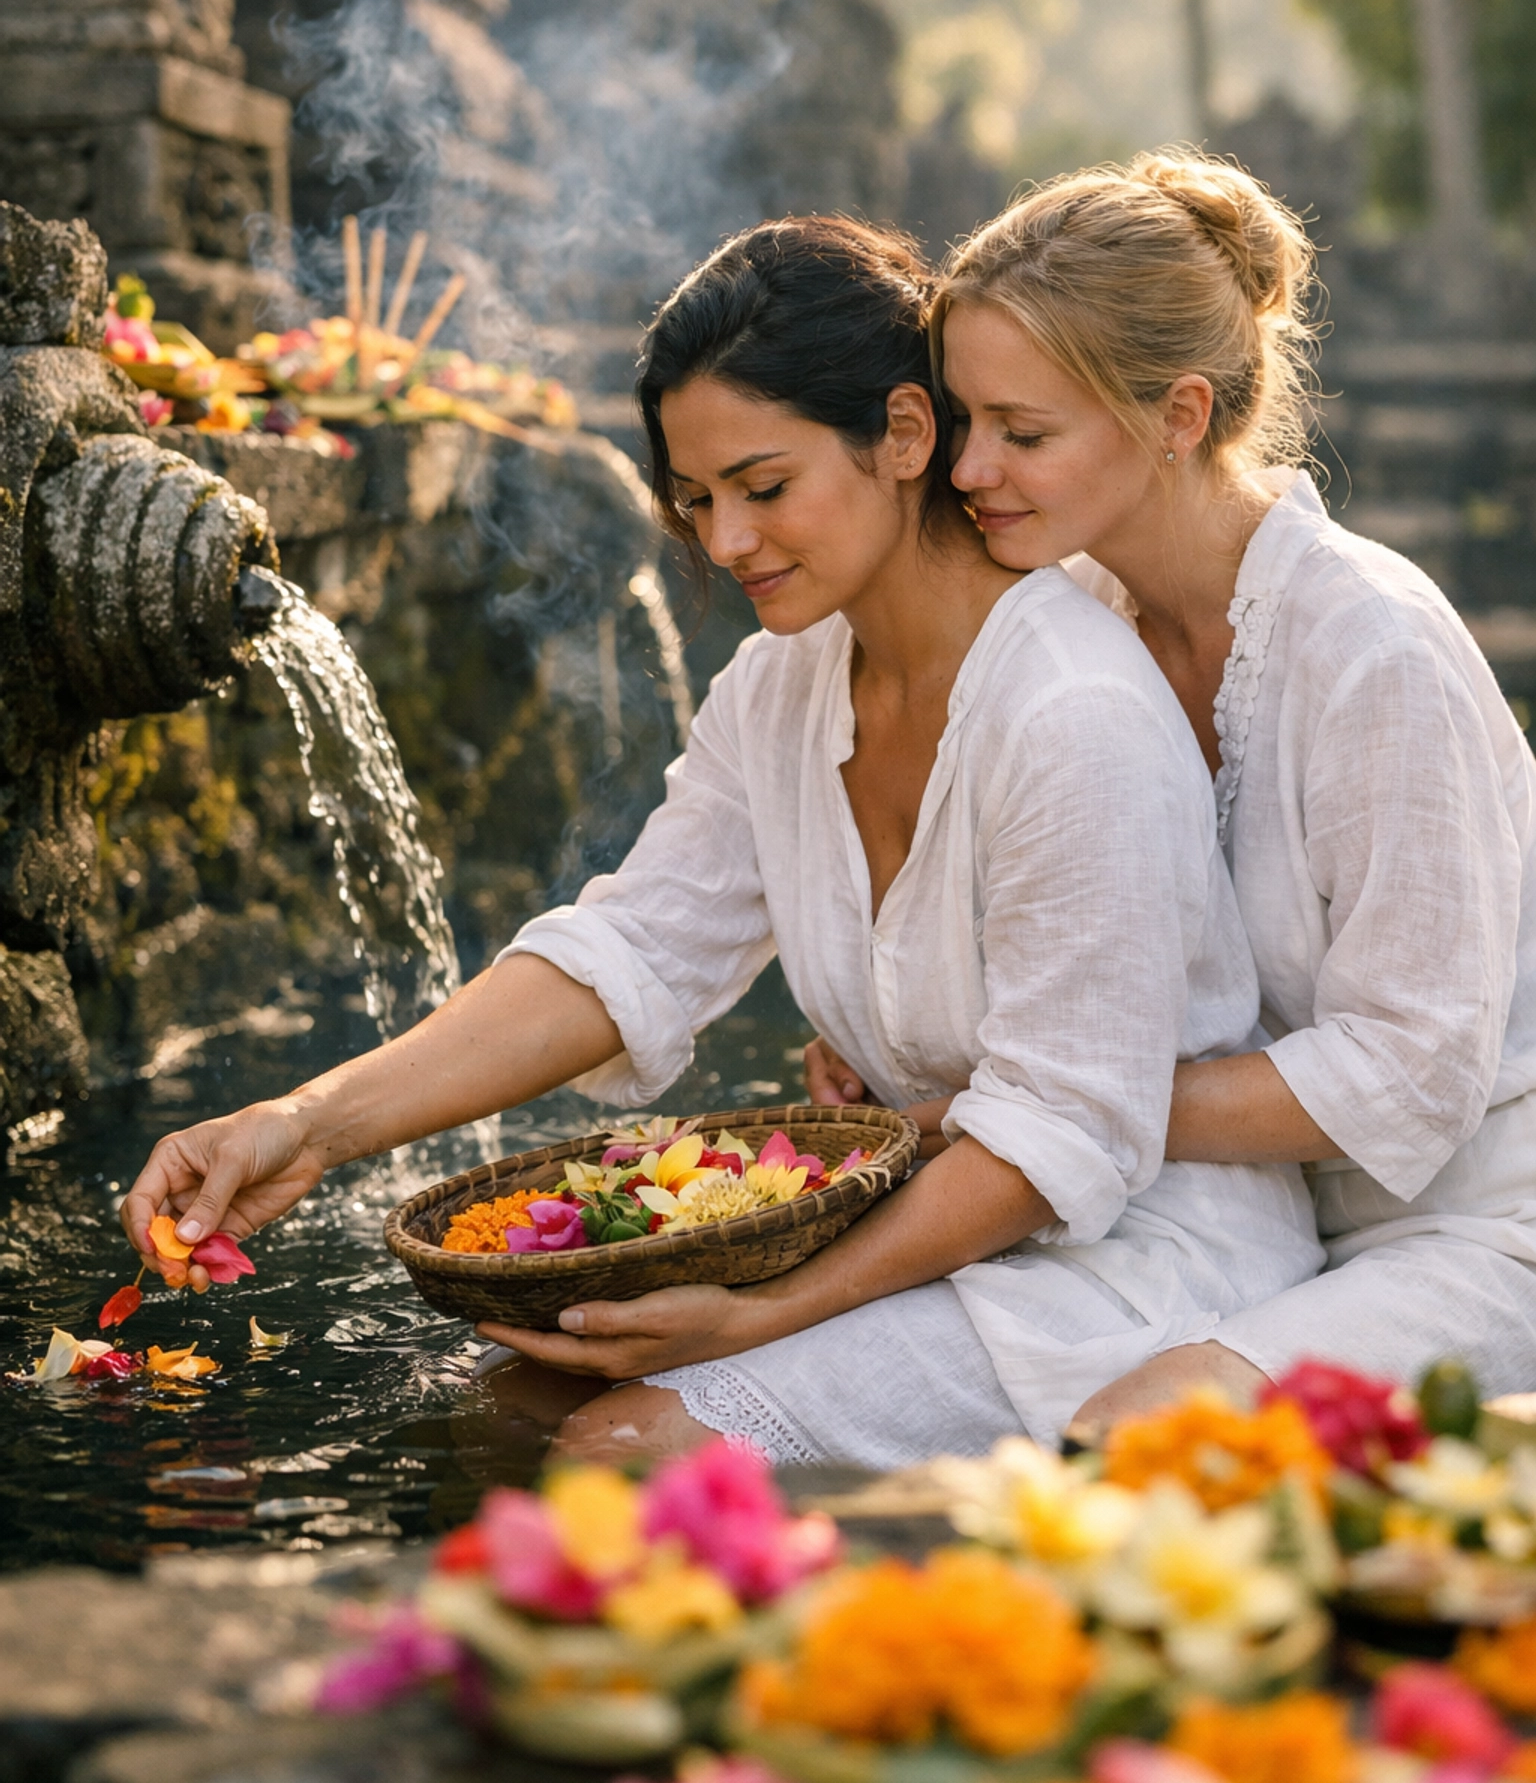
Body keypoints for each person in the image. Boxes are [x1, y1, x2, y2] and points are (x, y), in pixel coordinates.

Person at [121, 215, 1319, 1469]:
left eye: (764, 487)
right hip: (934, 1215)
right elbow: (633, 949)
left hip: (1133, 1262)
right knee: (498, 1408)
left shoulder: (1073, 711)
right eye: (694, 501)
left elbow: (1054, 1142)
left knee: (617, 1441)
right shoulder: (782, 686)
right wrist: (305, 1127)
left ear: (906, 436)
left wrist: (760, 1312)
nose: (726, 542)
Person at [808, 152, 1536, 1422]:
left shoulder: (1376, 650)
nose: (968, 470)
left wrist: (1008, 1103)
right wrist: (918, 1045)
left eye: (1024, 433)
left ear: (1179, 415)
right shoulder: (1073, 618)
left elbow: (1414, 1075)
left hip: (1475, 1230)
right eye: (964, 420)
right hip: (1217, 1220)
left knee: (1144, 1433)